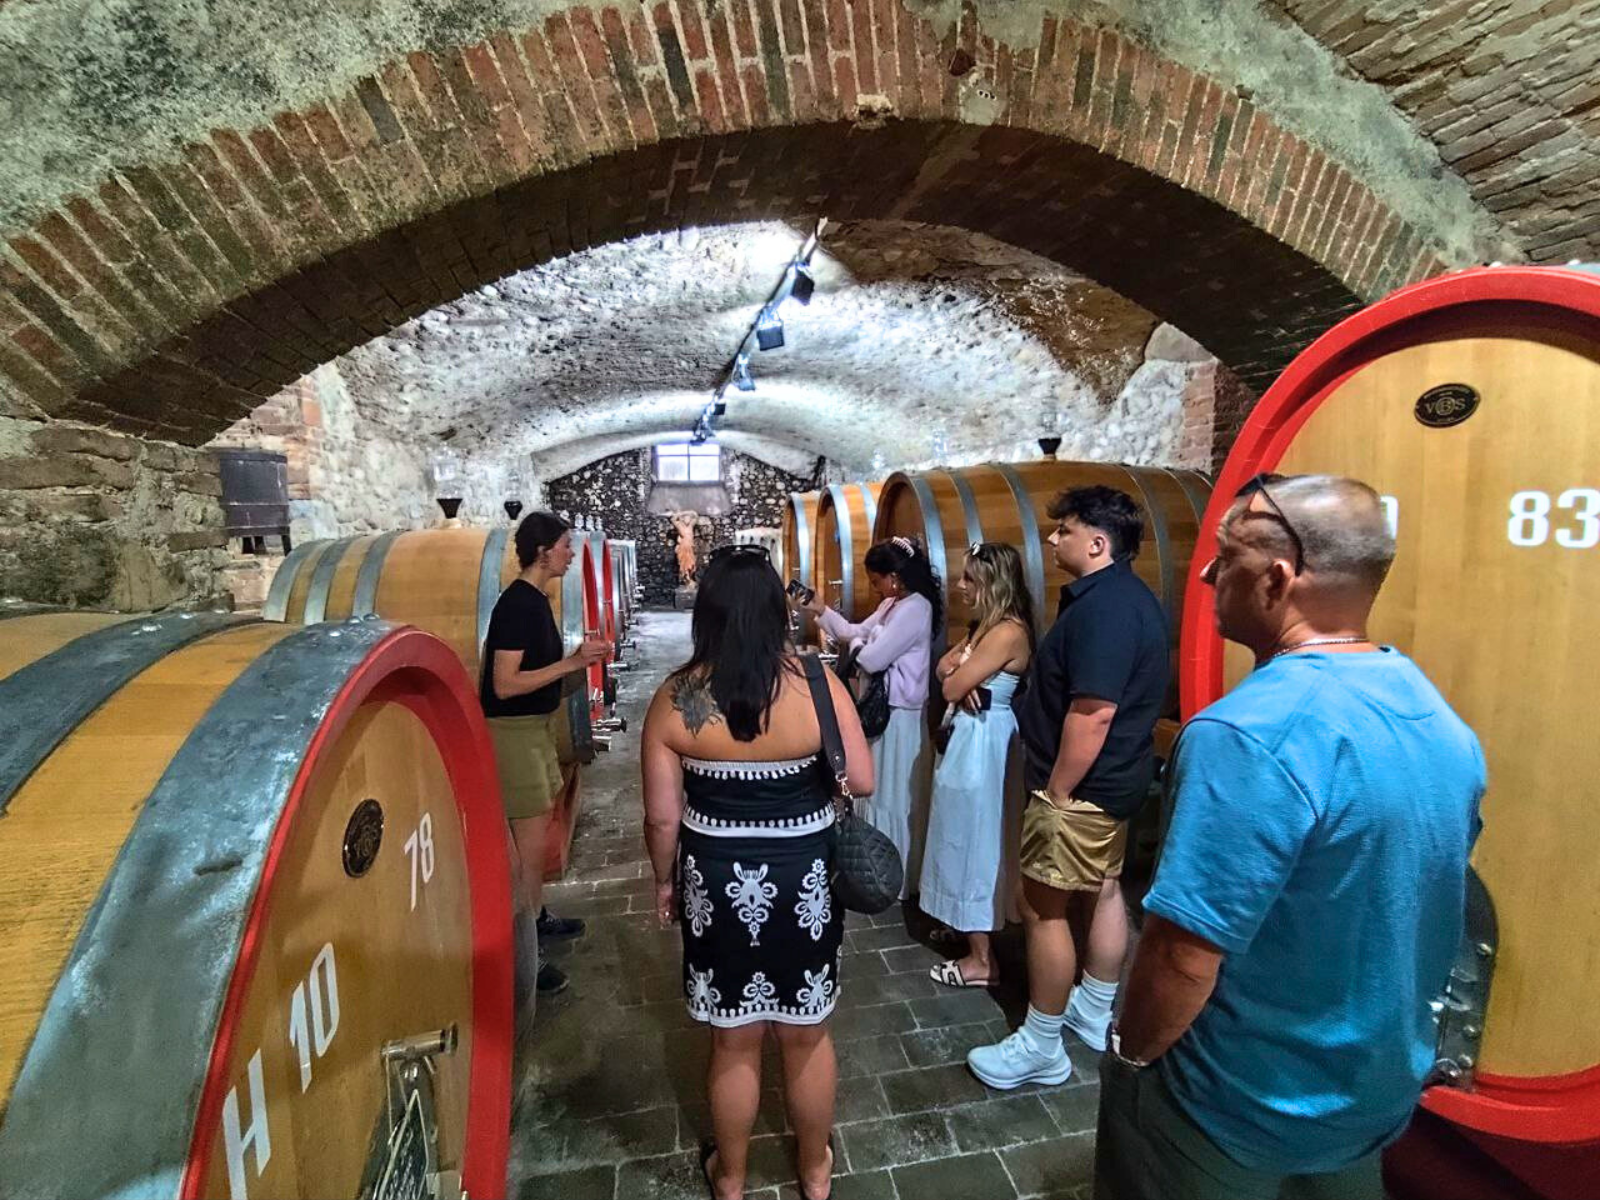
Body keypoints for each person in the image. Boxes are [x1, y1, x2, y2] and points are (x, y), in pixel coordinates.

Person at [1095, 474, 1486, 1200]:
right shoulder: (1437, 715)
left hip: (1233, 1106)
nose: (1206, 576)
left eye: (1225, 557)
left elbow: (1183, 954)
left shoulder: (1248, 733)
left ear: (1277, 579)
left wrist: (1130, 1054)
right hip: (1366, 1097)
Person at [643, 544, 873, 1200]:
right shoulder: (817, 685)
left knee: (734, 1040)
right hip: (805, 877)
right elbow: (861, 778)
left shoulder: (676, 698)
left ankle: (732, 1177)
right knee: (806, 1035)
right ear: (777, 610)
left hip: (715, 881)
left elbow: (662, 819)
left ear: (707, 613)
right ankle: (815, 1172)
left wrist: (665, 882)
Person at [967, 485, 1168, 1089]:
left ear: (1098, 543)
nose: (1053, 539)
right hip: (1114, 782)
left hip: (1080, 788)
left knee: (1042, 906)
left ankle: (1041, 1044)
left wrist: (1057, 791)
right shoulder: (1127, 597)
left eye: (1066, 530)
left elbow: (1093, 713)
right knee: (1103, 890)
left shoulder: (1105, 611)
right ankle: (1092, 1008)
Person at [481, 512, 610, 998]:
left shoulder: (536, 601)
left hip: (532, 732)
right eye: (565, 545)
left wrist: (579, 663)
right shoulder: (517, 604)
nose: (571, 553)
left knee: (536, 848)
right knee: (527, 860)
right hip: (512, 738)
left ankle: (536, 920)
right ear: (542, 551)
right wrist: (572, 661)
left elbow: (540, 677)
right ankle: (525, 960)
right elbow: (504, 684)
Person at [799, 535, 940, 898]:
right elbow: (853, 632)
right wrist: (820, 609)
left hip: (901, 713)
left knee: (894, 793)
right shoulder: (893, 603)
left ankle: (896, 874)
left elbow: (871, 658)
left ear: (895, 575)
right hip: (883, 710)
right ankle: (875, 868)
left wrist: (862, 645)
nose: (876, 588)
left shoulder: (917, 608)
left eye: (878, 580)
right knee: (878, 791)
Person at [922, 542, 1035, 988]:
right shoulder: (983, 627)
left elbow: (950, 686)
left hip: (986, 742)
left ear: (992, 582)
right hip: (970, 737)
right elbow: (941, 669)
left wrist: (956, 676)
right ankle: (962, 920)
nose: (960, 585)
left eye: (969, 578)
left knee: (977, 838)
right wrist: (955, 674)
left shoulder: (1006, 631)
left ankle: (982, 960)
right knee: (957, 830)